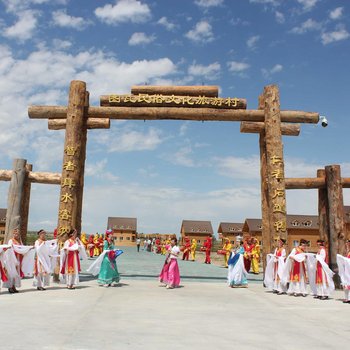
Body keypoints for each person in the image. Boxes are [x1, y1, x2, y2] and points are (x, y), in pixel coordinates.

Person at [3, 228, 35, 293]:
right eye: (15, 233)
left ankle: (14, 286)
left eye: (17, 234)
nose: (16, 235)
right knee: (11, 273)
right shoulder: (11, 241)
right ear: (13, 234)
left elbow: (23, 249)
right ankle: (10, 287)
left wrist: (30, 248)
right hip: (12, 259)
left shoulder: (19, 242)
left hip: (18, 259)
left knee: (16, 274)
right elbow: (9, 250)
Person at [337, 239, 350, 304]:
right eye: (347, 243)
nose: (347, 244)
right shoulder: (348, 251)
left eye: (348, 243)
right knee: (346, 283)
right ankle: (347, 298)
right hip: (347, 270)